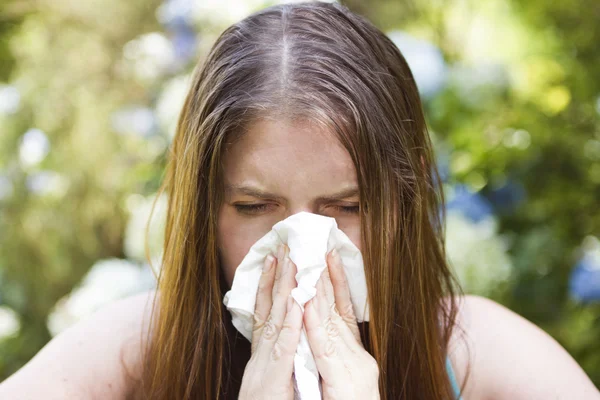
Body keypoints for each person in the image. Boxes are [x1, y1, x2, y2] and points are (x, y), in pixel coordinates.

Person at [0, 1, 598, 399]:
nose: (303, 248)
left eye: (349, 207)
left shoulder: (482, 359)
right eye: (255, 208)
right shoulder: (132, 352)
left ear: (407, 195)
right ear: (206, 205)